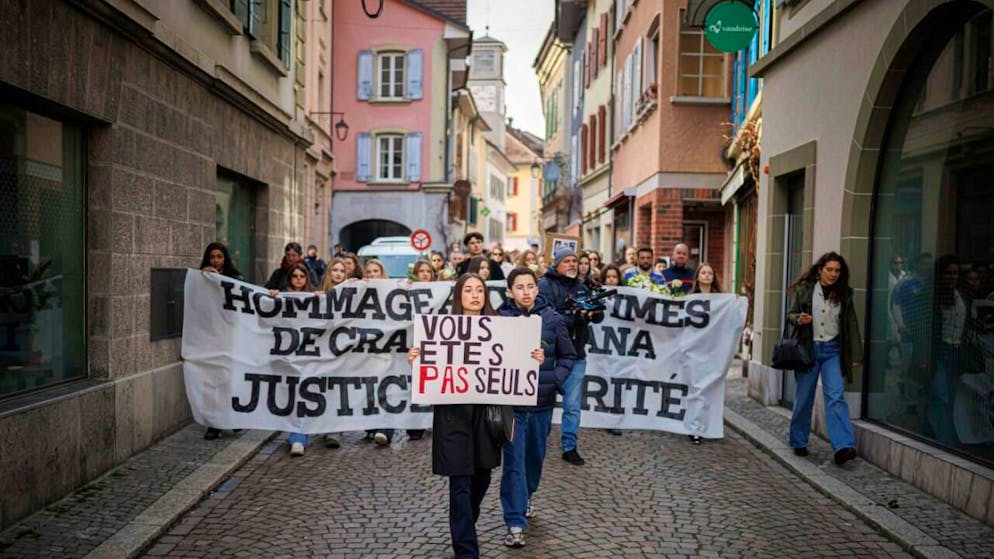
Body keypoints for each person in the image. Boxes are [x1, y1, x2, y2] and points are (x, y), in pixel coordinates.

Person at [406, 273, 532, 559]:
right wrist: (416, 359)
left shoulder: (502, 329)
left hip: (486, 416)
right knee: (460, 483)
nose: (475, 295)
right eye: (468, 290)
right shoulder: (441, 329)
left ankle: (465, 523)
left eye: (480, 290)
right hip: (453, 416)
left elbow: (515, 360)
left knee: (483, 477)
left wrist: (531, 357)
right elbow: (430, 370)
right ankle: (466, 549)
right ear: (459, 296)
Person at [499, 267, 576, 547]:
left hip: (542, 405)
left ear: (537, 288)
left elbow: (569, 356)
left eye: (530, 286)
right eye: (519, 287)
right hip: (512, 407)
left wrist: (553, 378)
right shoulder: (498, 319)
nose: (526, 292)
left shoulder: (553, 319)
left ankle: (527, 495)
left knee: (533, 460)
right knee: (514, 464)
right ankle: (515, 521)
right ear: (509, 292)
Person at [787, 252, 862, 466]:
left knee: (836, 396)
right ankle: (798, 440)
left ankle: (843, 447)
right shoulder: (805, 290)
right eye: (829, 269)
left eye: (837, 270)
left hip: (832, 350)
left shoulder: (844, 294)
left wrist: (855, 355)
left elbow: (851, 324)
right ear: (820, 270)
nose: (833, 274)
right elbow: (790, 314)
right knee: (804, 397)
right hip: (809, 349)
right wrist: (799, 318)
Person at [539, 248, 604, 466]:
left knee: (573, 405)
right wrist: (574, 316)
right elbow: (547, 315)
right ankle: (540, 442)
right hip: (550, 355)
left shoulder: (582, 286)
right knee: (545, 401)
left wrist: (594, 312)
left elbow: (597, 316)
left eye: (574, 260)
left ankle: (570, 446)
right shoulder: (544, 285)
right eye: (566, 260)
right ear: (556, 263)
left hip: (576, 353)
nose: (572, 264)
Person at [267, 262, 316, 456]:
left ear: (307, 279)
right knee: (292, 397)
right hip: (286, 356)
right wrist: (270, 299)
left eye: (301, 276)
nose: (298, 280)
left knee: (303, 396)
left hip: (308, 356)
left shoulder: (314, 298)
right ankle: (297, 436)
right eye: (294, 276)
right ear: (289, 278)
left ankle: (299, 437)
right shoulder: (280, 297)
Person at [199, 242, 244, 441]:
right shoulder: (201, 278)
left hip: (230, 337)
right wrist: (204, 279)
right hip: (209, 337)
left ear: (225, 258)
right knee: (211, 381)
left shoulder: (235, 279)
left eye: (219, 257)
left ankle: (230, 418)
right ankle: (214, 424)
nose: (215, 261)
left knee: (228, 380)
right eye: (212, 257)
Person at [315, 258, 350, 449]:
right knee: (323, 388)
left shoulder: (355, 293)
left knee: (338, 389)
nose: (337, 273)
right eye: (334, 270)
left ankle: (334, 430)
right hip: (321, 349)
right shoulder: (318, 293)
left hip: (343, 350)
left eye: (341, 270)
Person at [687, 262, 722, 445]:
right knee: (695, 388)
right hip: (694, 349)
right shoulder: (691, 298)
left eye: (710, 273)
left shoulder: (721, 300)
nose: (707, 276)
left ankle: (706, 425)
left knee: (709, 388)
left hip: (713, 350)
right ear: (698, 276)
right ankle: (694, 427)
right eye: (704, 273)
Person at [363, 258, 393, 445]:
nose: (373, 275)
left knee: (389, 389)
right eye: (369, 272)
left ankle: (387, 429)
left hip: (389, 347)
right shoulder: (359, 291)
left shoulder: (393, 291)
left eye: (376, 271)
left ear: (382, 273)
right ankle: (372, 426)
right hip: (368, 349)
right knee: (370, 387)